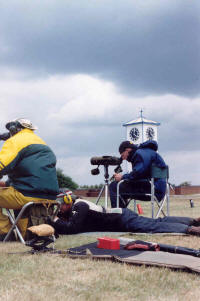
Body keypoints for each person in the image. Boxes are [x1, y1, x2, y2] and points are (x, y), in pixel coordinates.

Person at [0, 118, 59, 240]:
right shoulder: (42, 144)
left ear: (13, 129)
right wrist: (6, 183)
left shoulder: (15, 141)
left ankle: (5, 233)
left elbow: (2, 165)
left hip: (26, 194)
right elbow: (31, 173)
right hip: (49, 198)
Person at [48, 196, 200, 236]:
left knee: (153, 226)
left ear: (68, 201)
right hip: (121, 217)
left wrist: (53, 220)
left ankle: (190, 229)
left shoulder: (79, 206)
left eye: (60, 205)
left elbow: (73, 228)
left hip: (121, 220)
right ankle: (192, 221)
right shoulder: (78, 206)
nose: (59, 209)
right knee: (156, 221)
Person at [109, 140, 167, 208]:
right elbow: (142, 173)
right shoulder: (146, 152)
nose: (123, 158)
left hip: (154, 189)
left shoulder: (140, 154)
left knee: (114, 186)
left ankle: (118, 216)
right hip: (159, 187)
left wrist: (122, 177)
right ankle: (124, 214)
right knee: (121, 187)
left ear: (128, 150)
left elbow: (138, 173)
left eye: (123, 155)